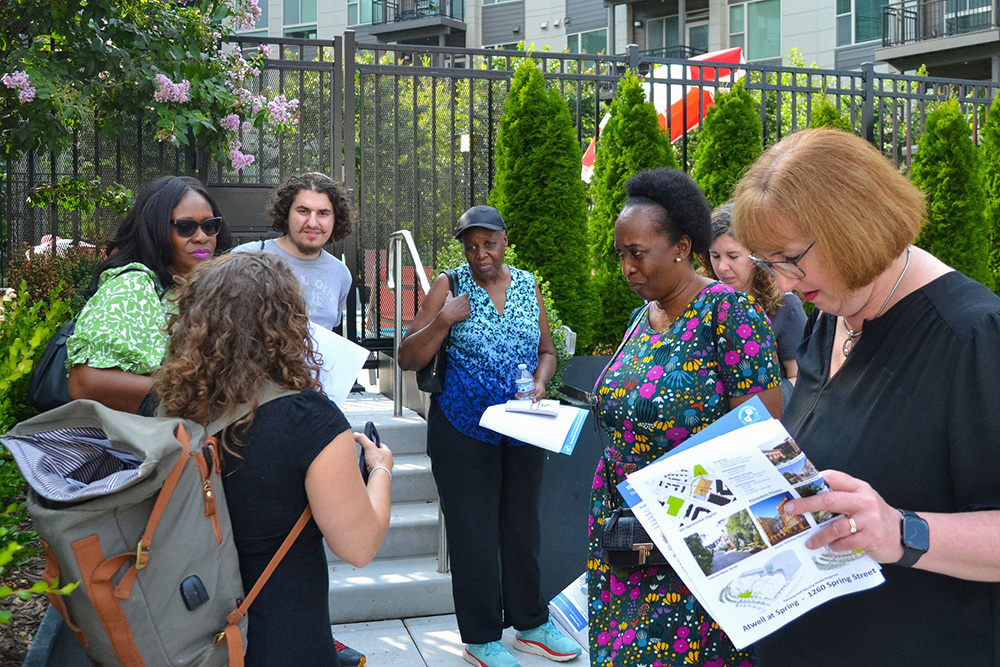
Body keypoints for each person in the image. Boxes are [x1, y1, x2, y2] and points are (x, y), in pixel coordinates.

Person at [730, 128, 1000, 666]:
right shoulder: (831, 318)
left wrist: (903, 531)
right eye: (768, 264)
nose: (782, 284)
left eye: (790, 259)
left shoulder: (973, 336)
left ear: (853, 227)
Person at [152, 252, 393, 666]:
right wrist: (380, 469)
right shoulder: (308, 421)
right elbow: (359, 547)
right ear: (287, 324)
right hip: (281, 636)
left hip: (189, 631)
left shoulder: (166, 409)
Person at [588, 168, 782, 667]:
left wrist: (675, 498)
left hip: (697, 536)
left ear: (680, 247)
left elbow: (761, 436)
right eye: (620, 255)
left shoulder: (729, 313)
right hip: (625, 533)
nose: (627, 268)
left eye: (638, 253)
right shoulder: (641, 318)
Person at [397, 206, 581, 667]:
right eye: (472, 245)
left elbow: (547, 351)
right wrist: (443, 320)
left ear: (504, 239)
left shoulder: (526, 283)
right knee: (473, 533)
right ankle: (480, 638)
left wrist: (541, 382)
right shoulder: (450, 284)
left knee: (523, 527)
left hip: (520, 430)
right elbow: (406, 356)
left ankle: (531, 625)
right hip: (461, 429)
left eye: (490, 243)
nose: (481, 254)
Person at [67, 175, 232, 414]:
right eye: (185, 227)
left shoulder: (214, 287)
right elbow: (85, 383)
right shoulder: (133, 286)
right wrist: (195, 400)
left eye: (209, 225)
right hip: (143, 444)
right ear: (155, 230)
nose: (201, 237)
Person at [700, 203, 806, 398]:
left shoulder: (785, 306)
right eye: (715, 256)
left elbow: (800, 378)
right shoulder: (701, 302)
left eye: (733, 256)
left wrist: (756, 404)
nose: (722, 267)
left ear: (757, 256)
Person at [231, 172, 354, 331]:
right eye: (303, 211)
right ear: (286, 214)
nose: (312, 223)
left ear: (335, 219)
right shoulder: (246, 257)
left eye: (323, 213)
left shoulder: (340, 274)